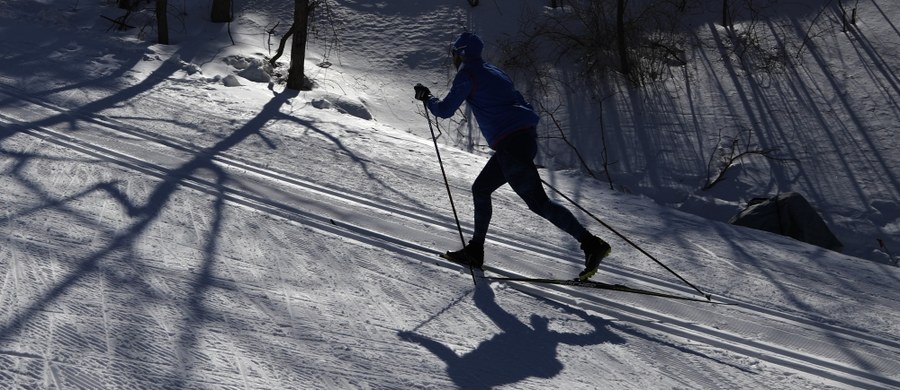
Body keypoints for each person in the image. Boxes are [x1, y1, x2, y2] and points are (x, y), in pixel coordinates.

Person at [414, 32, 610, 281]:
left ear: (460, 53)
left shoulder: (468, 74)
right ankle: (475, 250)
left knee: (539, 203)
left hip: (511, 145)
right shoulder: (495, 71)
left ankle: (592, 244)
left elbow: (444, 110)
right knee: (481, 189)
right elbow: (520, 102)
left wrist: (427, 98)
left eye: (454, 54)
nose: (453, 59)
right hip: (521, 141)